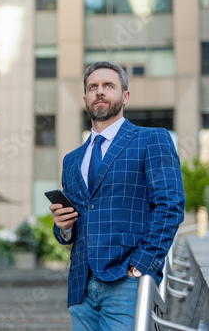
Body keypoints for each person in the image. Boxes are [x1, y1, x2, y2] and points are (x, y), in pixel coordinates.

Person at [50, 61, 185, 330]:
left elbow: (170, 207)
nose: (99, 91)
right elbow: (78, 222)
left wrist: (141, 267)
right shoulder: (71, 160)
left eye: (108, 86)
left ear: (125, 96)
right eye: (93, 87)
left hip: (126, 282)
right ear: (85, 98)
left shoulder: (151, 139)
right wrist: (63, 227)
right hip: (80, 286)